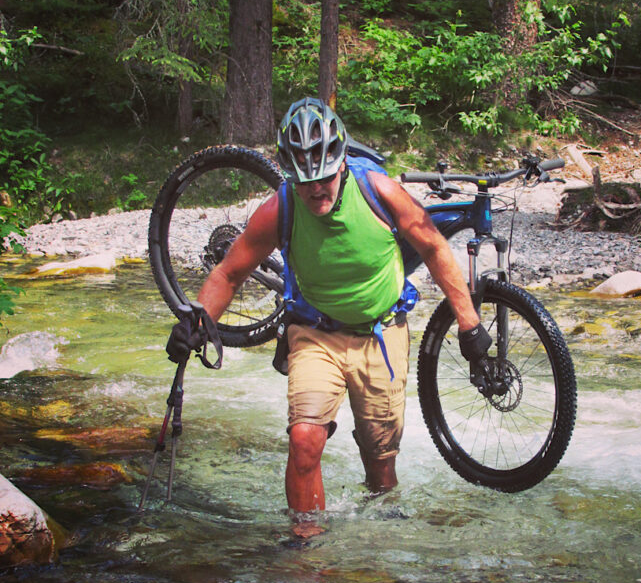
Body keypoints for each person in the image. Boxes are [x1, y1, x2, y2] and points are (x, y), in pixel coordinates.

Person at [167, 97, 490, 527]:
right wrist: (195, 320)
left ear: (340, 164)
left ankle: (372, 553)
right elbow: (228, 273)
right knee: (304, 440)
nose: (315, 189)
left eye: (323, 177)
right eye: (304, 182)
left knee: (381, 469)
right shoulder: (281, 207)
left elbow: (433, 245)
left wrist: (470, 328)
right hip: (314, 333)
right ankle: (307, 551)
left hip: (382, 334)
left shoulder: (379, 190)